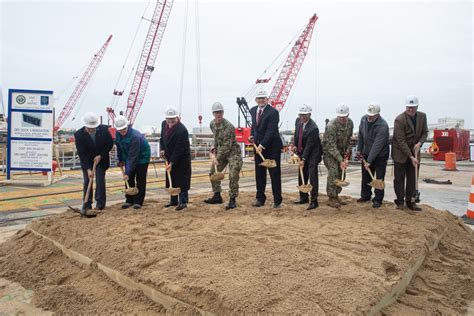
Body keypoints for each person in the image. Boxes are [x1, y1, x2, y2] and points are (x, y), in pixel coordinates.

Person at [391, 95, 428, 211]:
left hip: (415, 152)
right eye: (408, 108)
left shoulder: (422, 117)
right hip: (400, 153)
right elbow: (401, 141)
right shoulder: (399, 120)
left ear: (417, 107)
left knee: (413, 178)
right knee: (399, 178)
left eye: (413, 107)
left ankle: (410, 201)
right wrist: (411, 157)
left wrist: (420, 143)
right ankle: (400, 201)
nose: (411, 110)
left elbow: (425, 132)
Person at [204, 102, 243, 210]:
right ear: (213, 113)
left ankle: (232, 199)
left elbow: (227, 146)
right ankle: (217, 196)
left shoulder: (229, 127)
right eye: (216, 112)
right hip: (221, 152)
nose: (218, 114)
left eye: (220, 112)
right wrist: (214, 149)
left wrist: (217, 157)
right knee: (213, 173)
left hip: (233, 153)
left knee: (233, 175)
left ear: (223, 112)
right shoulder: (212, 124)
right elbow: (216, 139)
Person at [249, 89, 283, 208]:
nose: (261, 100)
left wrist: (262, 145)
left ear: (267, 99)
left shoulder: (273, 112)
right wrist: (252, 136)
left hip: (272, 148)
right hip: (258, 147)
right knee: (259, 174)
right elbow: (254, 126)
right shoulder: (253, 110)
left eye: (263, 98)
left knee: (274, 174)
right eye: (259, 98)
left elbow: (271, 131)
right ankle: (260, 199)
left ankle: (277, 201)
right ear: (256, 100)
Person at [74, 112, 114, 214]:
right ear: (85, 126)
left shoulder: (104, 130)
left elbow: (109, 144)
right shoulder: (79, 135)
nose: (91, 130)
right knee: (87, 180)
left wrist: (100, 155)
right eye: (89, 128)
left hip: (101, 159)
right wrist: (88, 169)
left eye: (93, 128)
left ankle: (100, 204)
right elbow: (81, 153)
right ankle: (87, 205)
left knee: (100, 180)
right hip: (87, 160)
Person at [356, 102, 390, 208]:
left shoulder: (383, 126)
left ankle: (378, 199)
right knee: (366, 176)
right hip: (366, 152)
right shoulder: (363, 119)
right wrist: (359, 150)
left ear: (377, 114)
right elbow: (361, 135)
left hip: (380, 155)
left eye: (372, 116)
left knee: (379, 177)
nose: (369, 117)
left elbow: (377, 145)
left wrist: (369, 161)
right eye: (368, 115)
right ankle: (366, 195)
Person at [114, 115, 151, 209]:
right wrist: (120, 160)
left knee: (140, 178)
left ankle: (138, 201)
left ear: (127, 126)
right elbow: (119, 148)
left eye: (124, 129)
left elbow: (133, 157)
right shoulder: (118, 135)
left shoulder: (134, 136)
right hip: (129, 156)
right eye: (120, 130)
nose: (122, 131)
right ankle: (129, 199)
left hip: (142, 156)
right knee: (129, 179)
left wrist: (127, 172)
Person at [159, 106, 192, 211]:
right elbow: (162, 139)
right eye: (168, 119)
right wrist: (162, 149)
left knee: (181, 180)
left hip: (182, 159)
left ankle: (183, 201)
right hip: (169, 157)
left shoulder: (182, 130)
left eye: (172, 119)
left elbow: (179, 149)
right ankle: (173, 200)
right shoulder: (163, 124)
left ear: (177, 118)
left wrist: (172, 162)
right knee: (171, 179)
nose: (170, 121)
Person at [322, 103, 354, 208]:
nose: (342, 119)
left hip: (341, 153)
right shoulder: (331, 126)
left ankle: (336, 195)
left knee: (341, 174)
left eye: (344, 117)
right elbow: (331, 146)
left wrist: (346, 155)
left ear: (348, 115)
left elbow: (349, 139)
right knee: (333, 172)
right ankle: (331, 197)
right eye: (340, 117)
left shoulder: (350, 123)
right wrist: (341, 160)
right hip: (329, 153)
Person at [292, 104, 322, 210]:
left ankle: (314, 201)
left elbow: (310, 145)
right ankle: (303, 197)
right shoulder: (298, 121)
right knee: (302, 174)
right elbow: (297, 134)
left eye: (304, 115)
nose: (302, 117)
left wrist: (304, 159)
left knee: (312, 176)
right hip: (302, 151)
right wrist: (295, 145)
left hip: (313, 153)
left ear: (309, 114)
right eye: (301, 115)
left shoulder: (313, 128)